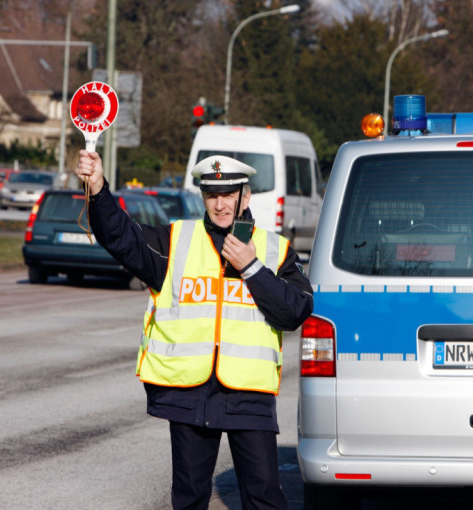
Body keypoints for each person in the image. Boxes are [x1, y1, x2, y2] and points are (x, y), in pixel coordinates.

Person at [75, 150, 314, 510]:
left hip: (249, 393)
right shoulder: (176, 241)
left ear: (245, 197)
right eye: (212, 195)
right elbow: (121, 236)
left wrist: (251, 267)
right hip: (190, 392)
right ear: (203, 197)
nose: (220, 205)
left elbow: (296, 310)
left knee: (264, 497)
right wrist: (98, 189)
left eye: (228, 195)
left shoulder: (273, 249)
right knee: (189, 499)